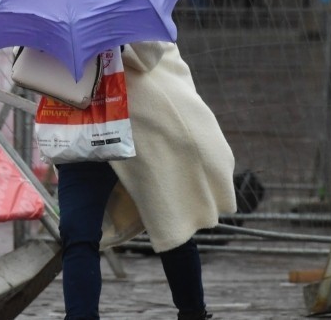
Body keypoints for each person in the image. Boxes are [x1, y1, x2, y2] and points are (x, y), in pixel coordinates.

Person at [57, 41, 237, 320]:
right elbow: (25, 67)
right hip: (80, 130)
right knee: (77, 232)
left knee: (173, 223)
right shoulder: (44, 5)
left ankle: (192, 313)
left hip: (141, 128)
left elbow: (150, 53)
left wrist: (108, 40)